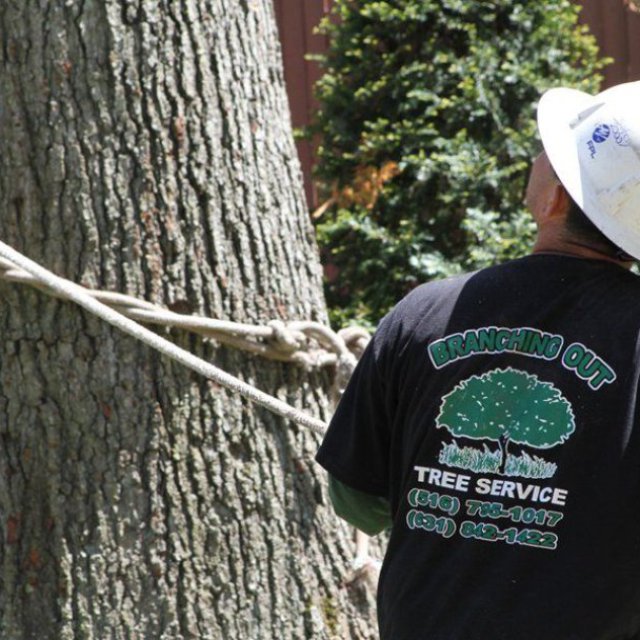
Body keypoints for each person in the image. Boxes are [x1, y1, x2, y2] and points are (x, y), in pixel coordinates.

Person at [316, 80, 640, 640]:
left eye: (548, 152)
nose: (536, 156)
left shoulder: (425, 312)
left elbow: (356, 500)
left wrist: (466, 506)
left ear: (554, 199)